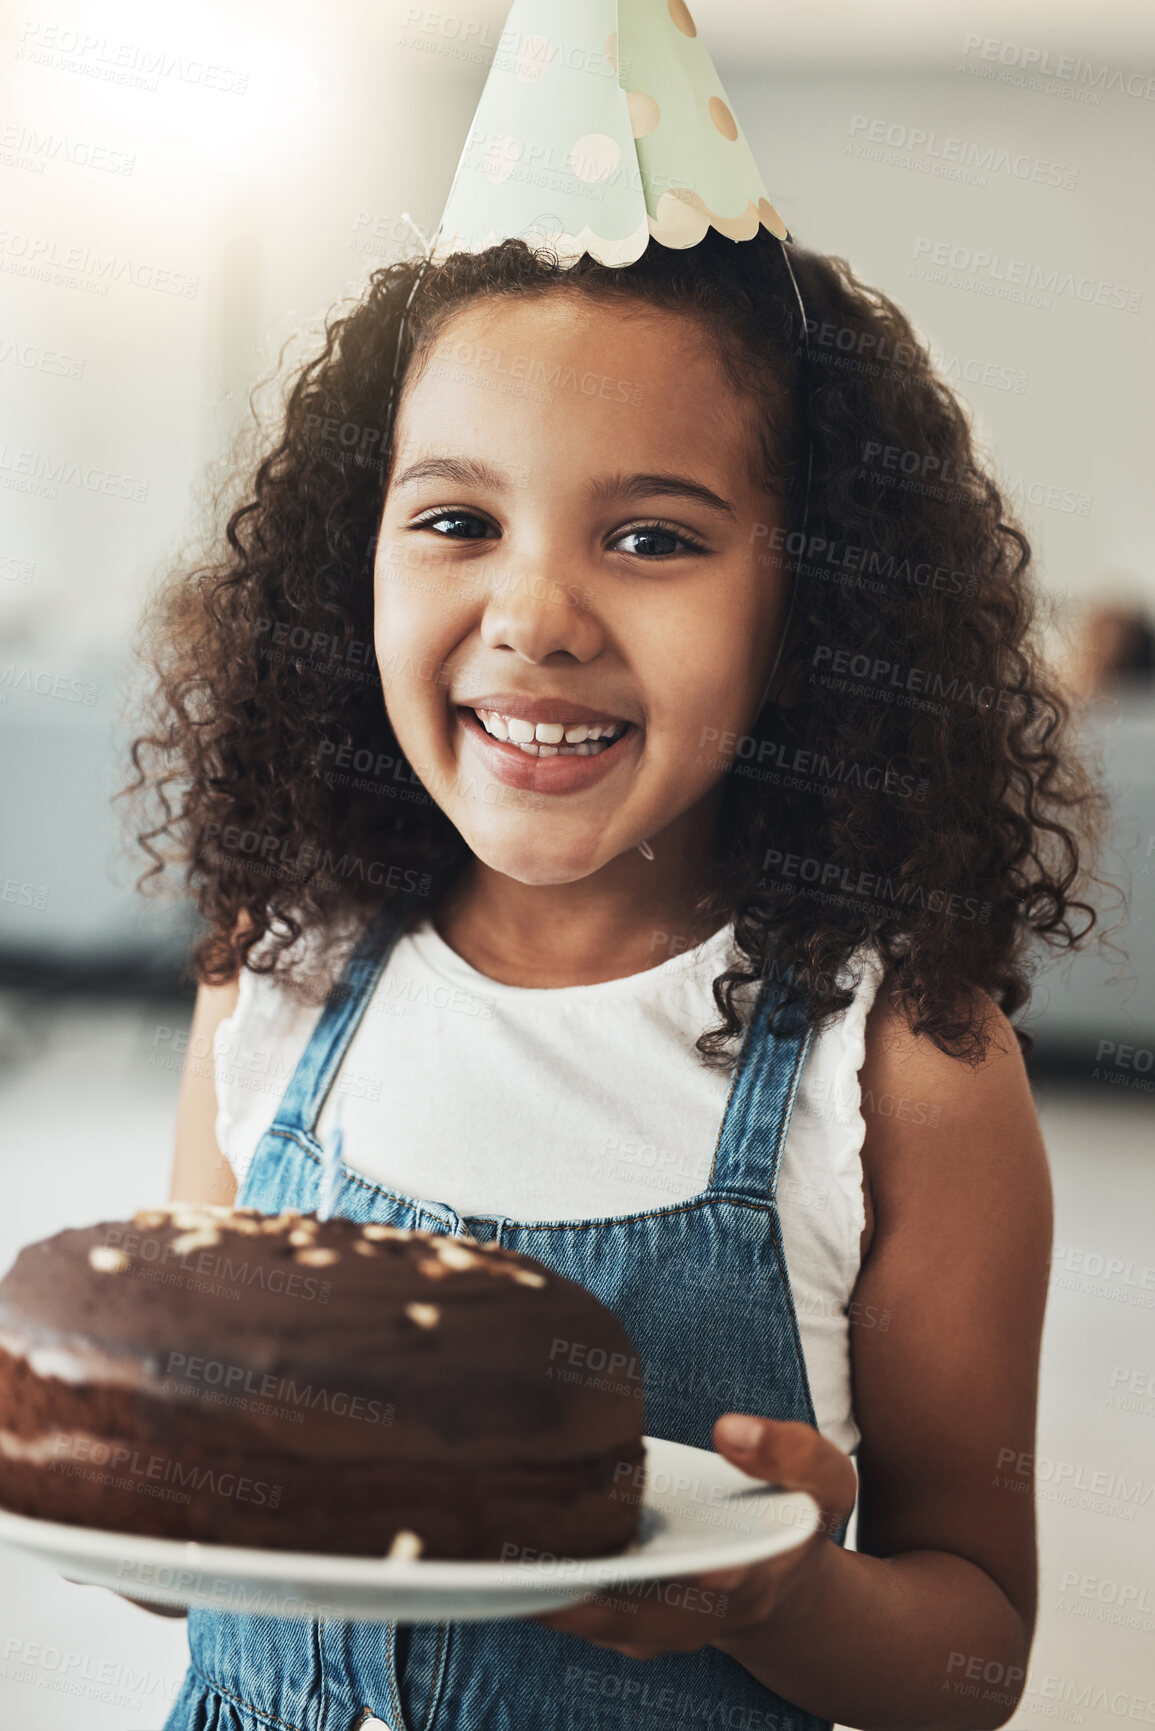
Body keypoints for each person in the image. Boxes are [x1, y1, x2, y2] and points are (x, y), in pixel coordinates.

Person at [124, 220, 1098, 1731]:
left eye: (653, 537)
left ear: (809, 618)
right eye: (456, 520)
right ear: (349, 561)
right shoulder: (278, 977)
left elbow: (970, 1660)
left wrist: (792, 1595)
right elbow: (181, 1552)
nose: (535, 618)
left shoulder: (901, 1068)